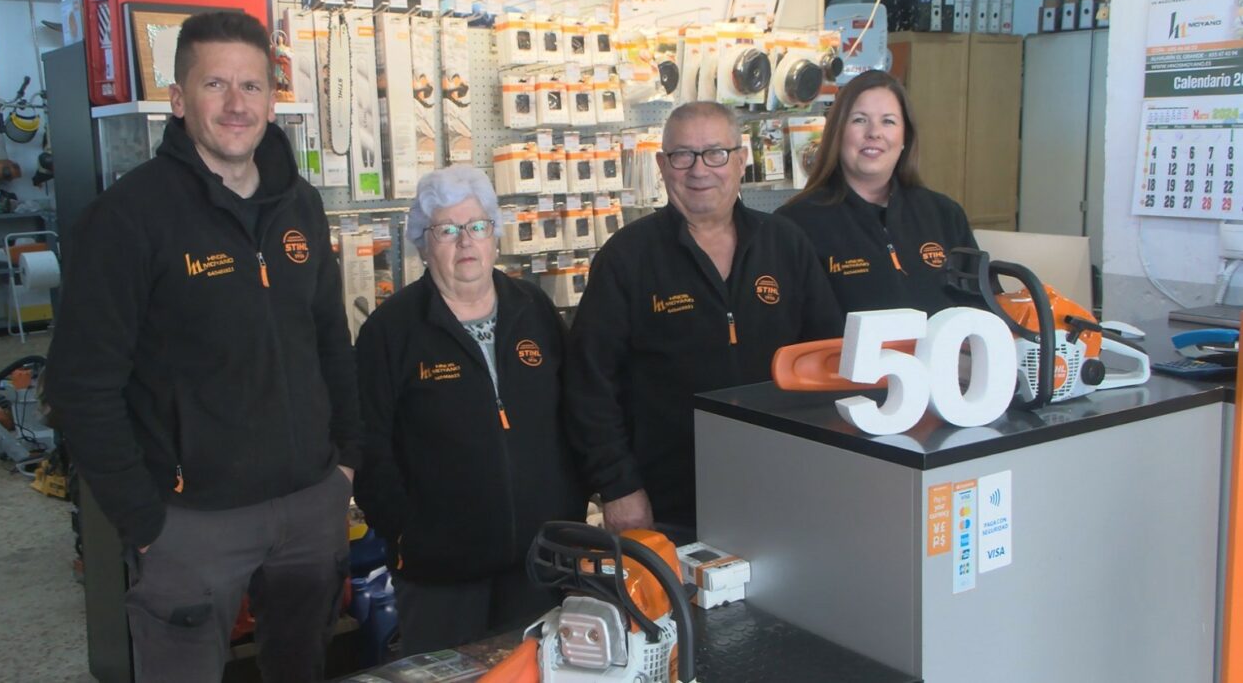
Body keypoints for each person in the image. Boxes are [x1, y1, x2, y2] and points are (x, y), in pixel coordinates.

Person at [45, 12, 360, 682]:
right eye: (215, 83)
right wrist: (144, 517)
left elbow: (331, 341)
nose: (237, 103)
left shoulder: (301, 205)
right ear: (178, 98)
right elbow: (80, 384)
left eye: (251, 85)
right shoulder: (127, 218)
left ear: (272, 99)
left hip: (310, 504)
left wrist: (346, 465)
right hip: (189, 522)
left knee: (300, 667)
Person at [565, 101, 843, 536]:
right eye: (682, 155)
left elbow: (829, 358)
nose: (699, 170)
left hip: (784, 484)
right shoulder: (627, 258)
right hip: (668, 504)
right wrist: (619, 487)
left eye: (715, 153)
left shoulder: (785, 244)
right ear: (662, 164)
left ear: (741, 158)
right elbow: (589, 385)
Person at [353, 165, 587, 655]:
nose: (466, 243)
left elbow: (577, 413)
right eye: (448, 230)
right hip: (440, 576)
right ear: (422, 242)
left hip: (539, 564)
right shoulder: (392, 331)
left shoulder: (535, 310)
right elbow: (369, 446)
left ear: (495, 236)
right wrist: (406, 534)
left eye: (477, 227)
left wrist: (570, 508)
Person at [776, 70, 978, 315]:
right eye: (859, 120)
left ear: (905, 137)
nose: (874, 133)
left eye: (888, 121)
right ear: (838, 133)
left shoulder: (946, 215)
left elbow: (981, 311)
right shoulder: (794, 225)